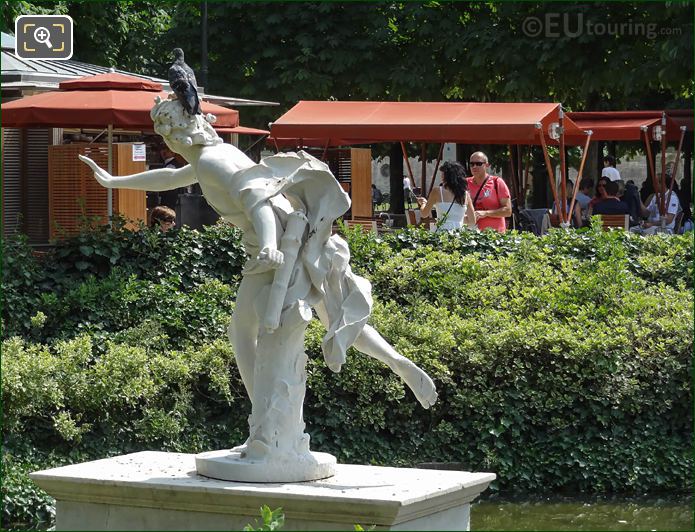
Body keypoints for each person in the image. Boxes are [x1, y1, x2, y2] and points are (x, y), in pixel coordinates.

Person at [80, 96, 437, 462]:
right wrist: (115, 180)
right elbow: (173, 176)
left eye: (162, 135)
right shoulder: (214, 155)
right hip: (290, 238)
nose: (163, 142)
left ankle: (264, 424)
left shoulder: (214, 163)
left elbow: (258, 204)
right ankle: (395, 362)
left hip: (276, 248)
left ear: (178, 136)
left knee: (244, 332)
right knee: (335, 314)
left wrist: (268, 245)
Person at [416, 161, 476, 231]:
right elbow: (472, 221)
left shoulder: (437, 191)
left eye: (442, 173)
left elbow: (424, 214)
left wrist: (423, 203)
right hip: (458, 236)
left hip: (442, 235)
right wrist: (456, 219)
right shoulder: (465, 195)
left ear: (445, 176)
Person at [465, 151, 512, 232]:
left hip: (494, 237)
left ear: (487, 165)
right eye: (472, 164)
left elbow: (508, 211)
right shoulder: (465, 184)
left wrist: (486, 213)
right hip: (469, 236)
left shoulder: (497, 182)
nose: (474, 167)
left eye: (478, 164)